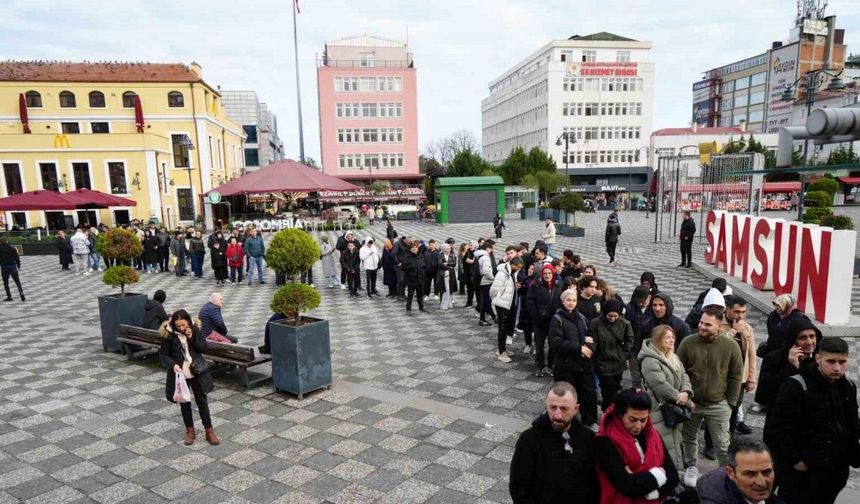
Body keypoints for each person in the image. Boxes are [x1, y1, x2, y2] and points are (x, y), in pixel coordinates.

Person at [763, 337, 859, 504]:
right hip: (803, 474)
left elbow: (851, 423)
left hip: (835, 471)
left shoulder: (848, 386)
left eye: (842, 362)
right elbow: (776, 431)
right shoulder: (796, 386)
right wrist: (797, 461)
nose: (837, 367)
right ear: (818, 358)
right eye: (831, 361)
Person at [678, 307, 744, 485]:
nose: (702, 326)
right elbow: (678, 371)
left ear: (719, 326)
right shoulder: (687, 343)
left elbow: (736, 375)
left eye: (707, 324)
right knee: (689, 438)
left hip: (719, 404)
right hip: (692, 403)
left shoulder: (731, 346)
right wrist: (684, 397)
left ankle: (726, 475)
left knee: (722, 445)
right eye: (701, 322)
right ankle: (691, 467)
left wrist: (730, 403)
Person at [509, 382, 598, 504]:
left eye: (564, 409)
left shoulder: (588, 438)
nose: (557, 414)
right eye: (553, 407)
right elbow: (519, 487)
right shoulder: (529, 439)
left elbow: (595, 483)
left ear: (575, 409)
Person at [595, 388, 680, 503]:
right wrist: (658, 474)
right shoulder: (605, 441)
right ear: (620, 414)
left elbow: (673, 476)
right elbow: (627, 486)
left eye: (643, 420)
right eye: (633, 419)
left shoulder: (652, 435)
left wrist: (652, 491)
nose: (638, 426)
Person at [159, 309, 219, 446]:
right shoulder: (168, 335)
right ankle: (190, 431)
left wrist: (191, 338)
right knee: (185, 402)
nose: (181, 328)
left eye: (183, 325)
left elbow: (203, 348)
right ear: (173, 324)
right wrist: (173, 365)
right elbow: (163, 354)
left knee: (202, 401)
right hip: (180, 374)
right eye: (178, 325)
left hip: (197, 371)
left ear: (188, 322)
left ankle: (209, 431)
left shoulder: (195, 329)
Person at [639, 324, 693, 473]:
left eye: (672, 337)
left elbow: (684, 375)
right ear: (657, 340)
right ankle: (669, 474)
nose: (671, 341)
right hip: (660, 409)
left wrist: (686, 392)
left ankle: (677, 471)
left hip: (676, 406)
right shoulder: (650, 361)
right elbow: (661, 386)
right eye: (667, 338)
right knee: (664, 443)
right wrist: (685, 401)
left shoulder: (672, 356)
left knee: (676, 441)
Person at [550, 288, 597, 428]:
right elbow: (556, 342)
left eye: (574, 300)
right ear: (563, 301)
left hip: (584, 364)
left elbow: (592, 336)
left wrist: (589, 348)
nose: (571, 303)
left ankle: (590, 421)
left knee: (588, 394)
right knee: (566, 396)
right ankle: (565, 422)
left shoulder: (581, 318)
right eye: (568, 300)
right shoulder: (557, 319)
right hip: (566, 366)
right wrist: (578, 348)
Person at [755, 318, 819, 411]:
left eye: (812, 336)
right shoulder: (774, 358)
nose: (809, 342)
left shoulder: (820, 357)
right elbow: (768, 389)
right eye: (803, 338)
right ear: (793, 340)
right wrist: (792, 366)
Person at [696, 437, 784, 504]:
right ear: (731, 473)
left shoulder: (750, 490)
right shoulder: (714, 498)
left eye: (766, 472)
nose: (762, 483)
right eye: (750, 474)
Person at [590, 299, 634, 411]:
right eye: (610, 316)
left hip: (618, 362)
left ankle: (610, 410)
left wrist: (625, 355)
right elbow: (592, 340)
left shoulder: (625, 324)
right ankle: (609, 411)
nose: (613, 318)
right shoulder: (596, 323)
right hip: (602, 362)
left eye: (616, 316)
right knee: (608, 390)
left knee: (615, 388)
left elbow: (630, 341)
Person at [722, 295, 756, 436]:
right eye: (737, 312)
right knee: (720, 409)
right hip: (722, 375)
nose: (740, 315)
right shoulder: (718, 324)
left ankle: (730, 436)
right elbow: (718, 345)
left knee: (735, 408)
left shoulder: (747, 328)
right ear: (728, 310)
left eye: (743, 312)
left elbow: (751, 354)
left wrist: (751, 378)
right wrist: (733, 331)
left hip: (740, 377)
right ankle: (712, 443)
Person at [527, 263, 561, 377]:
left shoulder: (557, 285)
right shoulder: (535, 285)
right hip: (539, 321)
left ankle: (551, 365)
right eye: (545, 273)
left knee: (553, 345)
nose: (547, 275)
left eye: (549, 273)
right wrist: (535, 316)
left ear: (553, 273)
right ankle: (540, 366)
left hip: (553, 321)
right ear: (542, 274)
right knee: (539, 345)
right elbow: (530, 302)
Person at [491, 256, 523, 363]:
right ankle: (501, 351)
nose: (518, 269)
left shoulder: (510, 273)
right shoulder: (502, 273)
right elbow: (493, 290)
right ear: (513, 264)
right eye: (517, 267)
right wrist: (498, 299)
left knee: (505, 327)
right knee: (502, 328)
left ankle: (502, 349)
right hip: (502, 304)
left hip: (507, 303)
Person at [625, 285, 652, 387]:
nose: (643, 302)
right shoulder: (631, 308)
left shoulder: (653, 308)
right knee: (636, 372)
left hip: (649, 345)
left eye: (646, 299)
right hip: (634, 345)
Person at [475, 240, 496, 327]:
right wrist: (493, 279)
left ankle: (482, 319)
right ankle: (494, 317)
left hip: (481, 280)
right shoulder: (485, 257)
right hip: (486, 281)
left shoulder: (479, 256)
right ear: (488, 248)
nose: (492, 250)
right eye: (492, 248)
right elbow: (487, 271)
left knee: (484, 301)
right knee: (487, 301)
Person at [401, 241, 426, 313]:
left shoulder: (421, 256)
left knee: (420, 295)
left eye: (416, 247)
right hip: (411, 279)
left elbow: (424, 266)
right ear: (410, 249)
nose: (414, 249)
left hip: (420, 279)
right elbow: (403, 267)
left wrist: (423, 272)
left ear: (418, 248)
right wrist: (411, 267)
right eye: (413, 247)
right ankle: (408, 309)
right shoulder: (407, 257)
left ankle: (421, 308)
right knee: (410, 296)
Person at [437, 243, 456, 310]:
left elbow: (454, 263)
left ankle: (449, 303)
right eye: (447, 248)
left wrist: (447, 264)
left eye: (450, 248)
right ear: (444, 249)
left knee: (450, 289)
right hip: (443, 275)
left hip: (451, 274)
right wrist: (449, 267)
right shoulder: (440, 255)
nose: (449, 250)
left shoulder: (452, 255)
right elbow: (440, 264)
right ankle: (444, 304)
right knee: (445, 289)